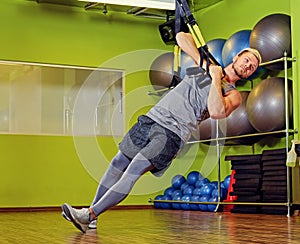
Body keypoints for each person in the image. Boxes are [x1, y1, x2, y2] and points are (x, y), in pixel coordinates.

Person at [61, 31, 262, 233]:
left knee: (133, 171)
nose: (247, 66)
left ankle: (89, 215)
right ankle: (92, 215)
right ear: (236, 57)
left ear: (250, 74)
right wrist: (205, 65)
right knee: (118, 162)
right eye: (246, 60)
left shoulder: (232, 94)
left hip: (173, 133)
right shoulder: (206, 67)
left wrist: (216, 78)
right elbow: (182, 37)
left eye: (251, 67)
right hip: (152, 119)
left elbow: (217, 111)